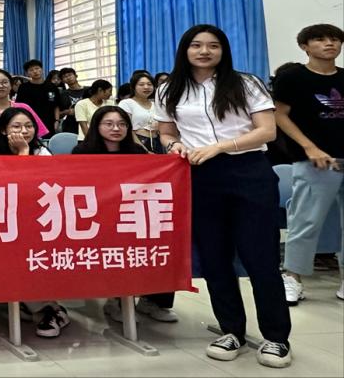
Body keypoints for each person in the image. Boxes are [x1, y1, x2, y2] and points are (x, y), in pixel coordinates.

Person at [156, 24, 291, 368]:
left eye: (213, 46)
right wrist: (174, 145)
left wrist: (221, 146)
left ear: (223, 50)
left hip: (248, 172)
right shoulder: (169, 88)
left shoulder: (245, 83)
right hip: (200, 175)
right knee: (215, 259)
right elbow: (166, 130)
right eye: (197, 45)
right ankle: (232, 331)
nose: (205, 51)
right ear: (185, 50)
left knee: (260, 259)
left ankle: (277, 337)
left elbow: (267, 130)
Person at [72, 107, 178, 323]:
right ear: (96, 126)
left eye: (122, 124)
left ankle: (154, 301)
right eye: (109, 124)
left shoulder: (137, 152)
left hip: (133, 213)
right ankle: (116, 301)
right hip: (97, 217)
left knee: (163, 240)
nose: (116, 128)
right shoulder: (82, 152)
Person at [0, 107, 66, 337]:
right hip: (0, 220)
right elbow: (5, 186)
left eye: (29, 126)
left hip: (36, 219)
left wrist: (24, 152)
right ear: (2, 130)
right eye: (16, 126)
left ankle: (51, 308)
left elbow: (40, 185)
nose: (24, 131)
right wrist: (22, 153)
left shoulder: (41, 151)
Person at [275, 24, 344, 306]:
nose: (329, 44)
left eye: (335, 39)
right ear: (304, 46)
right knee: (306, 221)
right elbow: (279, 115)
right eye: (320, 39)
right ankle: (293, 277)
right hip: (314, 160)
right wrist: (309, 146)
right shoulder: (293, 78)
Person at [0, 69, 47, 150]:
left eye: (5, 82)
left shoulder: (24, 108)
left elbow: (38, 137)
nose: (1, 86)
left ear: (11, 85)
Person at [16, 59, 61, 136]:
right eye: (31, 70)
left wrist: (57, 121)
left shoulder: (52, 87)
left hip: (49, 122)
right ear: (27, 73)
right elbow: (19, 106)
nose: (35, 71)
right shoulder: (23, 88)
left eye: (37, 68)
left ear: (42, 70)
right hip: (30, 122)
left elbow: (56, 105)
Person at [119, 71, 160, 153]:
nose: (146, 87)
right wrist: (144, 150)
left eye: (149, 84)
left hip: (157, 141)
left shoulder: (156, 104)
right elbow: (127, 129)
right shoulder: (126, 103)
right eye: (141, 84)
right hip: (136, 142)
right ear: (133, 87)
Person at [58, 67, 85, 133]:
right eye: (65, 77)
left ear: (76, 76)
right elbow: (58, 114)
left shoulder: (88, 90)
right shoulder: (62, 94)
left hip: (88, 122)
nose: (68, 78)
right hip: (71, 126)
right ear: (62, 81)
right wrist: (67, 112)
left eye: (70, 75)